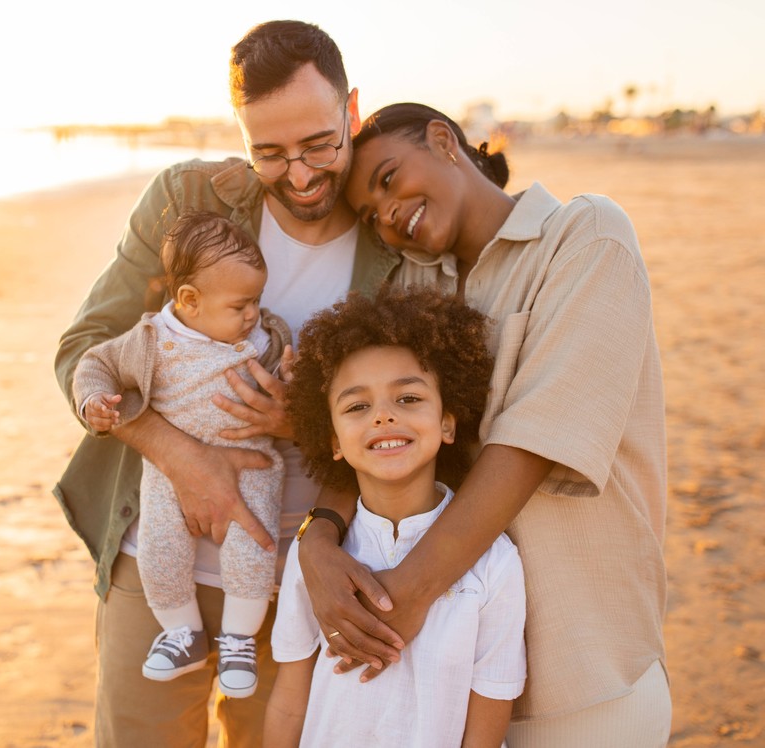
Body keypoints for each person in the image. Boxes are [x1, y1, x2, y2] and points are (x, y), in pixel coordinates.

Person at [54, 20, 399, 748]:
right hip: (154, 560)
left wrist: (303, 423)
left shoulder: (398, 242)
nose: (300, 175)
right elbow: (85, 348)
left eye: (319, 146)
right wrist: (187, 461)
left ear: (353, 111)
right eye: (269, 153)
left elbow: (418, 417)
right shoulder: (186, 201)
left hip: (304, 578)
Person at [297, 103, 672, 747]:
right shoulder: (413, 286)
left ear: (444, 141)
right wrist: (318, 536)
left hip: (581, 677)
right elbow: (371, 432)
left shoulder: (585, 237)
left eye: (388, 179)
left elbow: (530, 446)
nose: (386, 215)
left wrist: (403, 600)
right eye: (369, 214)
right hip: (448, 683)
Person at [264, 285, 527, 748]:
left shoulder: (495, 564)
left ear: (448, 422)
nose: (383, 416)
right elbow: (289, 702)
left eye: (408, 399)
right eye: (357, 406)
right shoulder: (316, 563)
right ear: (334, 443)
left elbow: (489, 716)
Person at [73, 210, 290, 697]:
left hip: (251, 463)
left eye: (257, 299)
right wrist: (94, 401)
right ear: (189, 301)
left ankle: (239, 639)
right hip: (168, 473)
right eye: (241, 305)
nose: (253, 313)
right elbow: (95, 361)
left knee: (253, 550)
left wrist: (294, 388)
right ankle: (181, 632)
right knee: (160, 548)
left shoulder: (265, 339)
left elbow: (295, 385)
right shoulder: (152, 341)